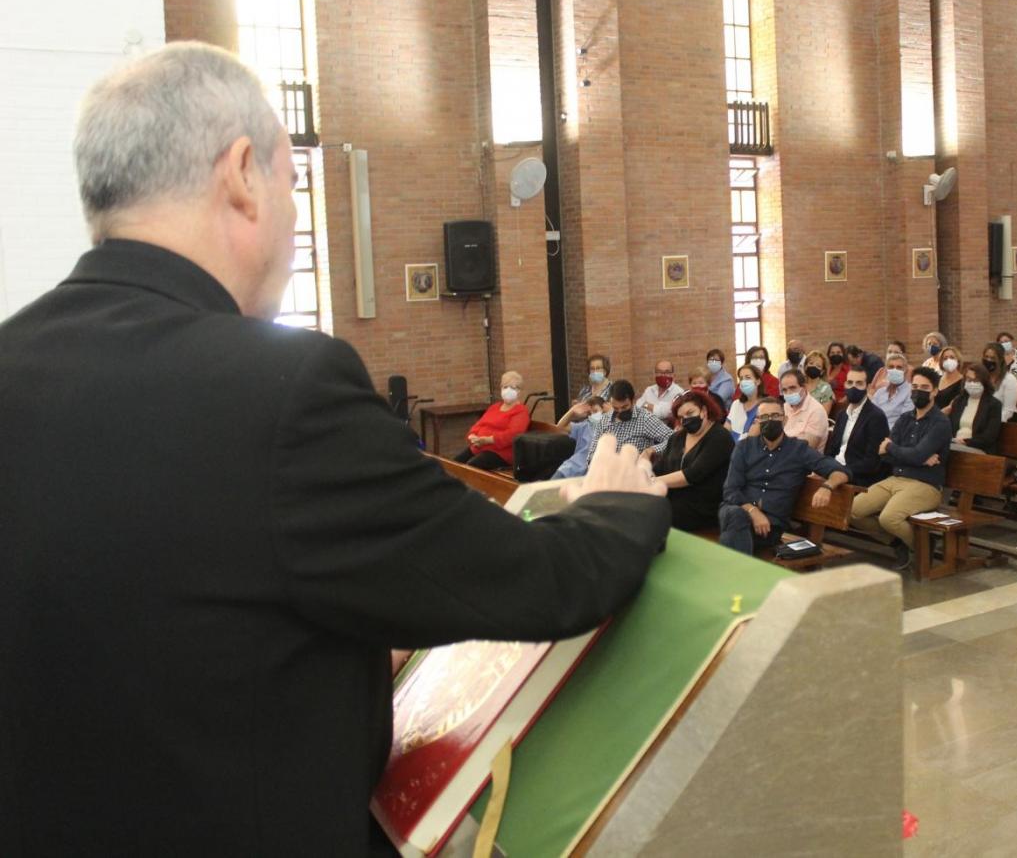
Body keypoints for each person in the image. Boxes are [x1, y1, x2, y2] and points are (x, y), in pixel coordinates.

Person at [0, 42, 671, 855]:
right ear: (243, 174)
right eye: (294, 183)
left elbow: (152, 628)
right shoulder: (281, 388)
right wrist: (615, 507)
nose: (291, 213)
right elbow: (535, 579)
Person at [718, 399, 850, 555]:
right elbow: (730, 490)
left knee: (731, 536)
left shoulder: (799, 450)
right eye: (765, 417)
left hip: (770, 526)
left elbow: (841, 471)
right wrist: (753, 511)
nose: (770, 421)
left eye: (775, 416)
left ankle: (734, 570)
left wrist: (827, 487)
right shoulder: (744, 447)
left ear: (785, 419)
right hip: (736, 511)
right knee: (737, 516)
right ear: (758, 421)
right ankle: (741, 571)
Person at [850, 367, 952, 568]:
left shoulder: (940, 422)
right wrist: (915, 457)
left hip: (926, 484)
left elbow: (895, 450)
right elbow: (885, 456)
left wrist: (895, 449)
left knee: (889, 518)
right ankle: (898, 542)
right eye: (914, 386)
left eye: (924, 387)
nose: (918, 391)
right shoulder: (905, 418)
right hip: (896, 478)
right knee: (852, 510)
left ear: (934, 391)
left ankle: (923, 547)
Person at [653, 390, 735, 532]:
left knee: (654, 514)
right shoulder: (677, 437)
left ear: (704, 410)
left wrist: (653, 482)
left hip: (703, 506)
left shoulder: (720, 437)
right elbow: (659, 467)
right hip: (675, 499)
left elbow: (692, 475)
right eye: (681, 417)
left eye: (690, 413)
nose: (686, 420)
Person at [825, 365, 890, 487]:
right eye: (850, 383)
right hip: (835, 470)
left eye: (859, 383)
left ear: (868, 387)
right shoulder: (842, 415)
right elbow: (832, 450)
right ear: (845, 385)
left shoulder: (876, 417)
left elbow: (872, 463)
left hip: (858, 478)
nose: (853, 387)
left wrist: (842, 471)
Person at [584, 379, 673, 465]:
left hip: (635, 473)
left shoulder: (644, 418)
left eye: (624, 407)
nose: (620, 412)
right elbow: (592, 453)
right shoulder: (604, 420)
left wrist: (651, 450)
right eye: (616, 408)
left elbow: (673, 439)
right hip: (608, 473)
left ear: (633, 400)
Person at [454, 370, 530, 469]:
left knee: (471, 467)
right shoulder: (495, 407)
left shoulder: (521, 412)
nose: (508, 390)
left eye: (512, 387)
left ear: (519, 391)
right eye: (505, 387)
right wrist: (472, 436)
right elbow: (479, 425)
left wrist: (488, 440)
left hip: (501, 453)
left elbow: (512, 434)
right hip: (479, 447)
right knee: (455, 463)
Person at [947, 363, 1003, 453]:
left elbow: (989, 436)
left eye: (976, 380)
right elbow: (949, 426)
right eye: (968, 380)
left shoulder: (994, 404)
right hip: (954, 443)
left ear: (984, 382)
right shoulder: (959, 401)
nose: (972, 383)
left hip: (977, 447)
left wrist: (965, 442)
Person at [552, 395, 608, 479]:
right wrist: (572, 412)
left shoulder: (611, 428)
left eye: (595, 411)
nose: (593, 415)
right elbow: (560, 428)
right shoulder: (585, 425)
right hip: (572, 468)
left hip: (594, 475)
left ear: (604, 410)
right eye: (590, 413)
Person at [779, 368, 830, 450]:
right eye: (784, 390)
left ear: (804, 387)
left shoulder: (816, 411)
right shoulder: (784, 407)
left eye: (792, 388)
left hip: (804, 460)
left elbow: (806, 449)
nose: (788, 393)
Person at [980, 341, 1017, 422]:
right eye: (986, 357)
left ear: (1000, 360)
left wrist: (989, 423)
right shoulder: (980, 377)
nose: (988, 360)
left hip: (1000, 422)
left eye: (992, 358)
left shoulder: (1009, 380)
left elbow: (1008, 411)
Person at [871, 351, 914, 423]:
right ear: (886, 370)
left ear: (905, 370)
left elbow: (905, 420)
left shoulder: (910, 391)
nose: (895, 370)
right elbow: (871, 414)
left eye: (899, 367)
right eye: (891, 367)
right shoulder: (879, 392)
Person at [725, 364, 765, 440]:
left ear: (758, 381)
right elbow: (726, 429)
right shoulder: (736, 404)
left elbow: (752, 437)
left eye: (748, 378)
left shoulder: (765, 406)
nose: (743, 382)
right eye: (741, 379)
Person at [826, 340, 851, 407]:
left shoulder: (849, 370)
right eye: (832, 353)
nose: (835, 355)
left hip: (843, 405)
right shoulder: (826, 369)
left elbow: (852, 388)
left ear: (843, 354)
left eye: (838, 352)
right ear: (829, 355)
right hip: (826, 403)